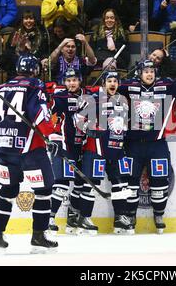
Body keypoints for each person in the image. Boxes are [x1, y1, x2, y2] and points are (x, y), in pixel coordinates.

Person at [0, 54, 58, 253]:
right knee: (43, 191)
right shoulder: (35, 85)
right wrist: (51, 135)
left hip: (5, 148)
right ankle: (38, 236)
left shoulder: (1, 88)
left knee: (7, 192)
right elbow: (40, 115)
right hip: (30, 150)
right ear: (35, 70)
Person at [118, 58, 176, 233]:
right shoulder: (128, 87)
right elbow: (107, 90)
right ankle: (131, 216)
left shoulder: (167, 86)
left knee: (160, 184)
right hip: (133, 145)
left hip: (157, 145)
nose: (149, 74)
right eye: (146, 71)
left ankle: (159, 215)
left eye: (152, 71)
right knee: (131, 184)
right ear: (139, 73)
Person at [73, 70, 134, 235]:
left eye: (115, 81)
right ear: (103, 83)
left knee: (121, 184)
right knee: (90, 185)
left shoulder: (123, 101)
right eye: (109, 81)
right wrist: (88, 129)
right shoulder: (94, 99)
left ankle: (120, 218)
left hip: (117, 149)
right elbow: (77, 118)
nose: (112, 84)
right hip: (96, 150)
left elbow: (124, 124)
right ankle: (84, 219)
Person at [47, 68, 91, 234]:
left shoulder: (89, 96)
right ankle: (49, 218)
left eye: (74, 80)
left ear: (80, 80)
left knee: (80, 184)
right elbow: (48, 115)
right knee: (61, 184)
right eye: (68, 80)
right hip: (64, 146)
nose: (71, 83)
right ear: (64, 82)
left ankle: (73, 217)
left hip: (83, 147)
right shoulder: (59, 98)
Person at [0, 10, 48, 79]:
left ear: (34, 21)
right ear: (22, 21)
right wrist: (13, 47)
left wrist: (30, 50)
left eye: (31, 18)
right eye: (26, 19)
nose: (28, 21)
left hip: (33, 73)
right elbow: (4, 60)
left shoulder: (41, 35)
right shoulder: (15, 34)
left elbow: (42, 56)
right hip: (15, 73)